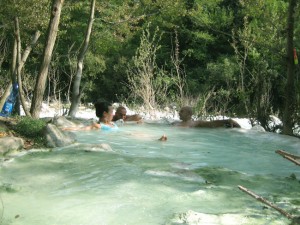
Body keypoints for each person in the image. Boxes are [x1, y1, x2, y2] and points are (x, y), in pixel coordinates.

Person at [174, 106, 241, 128]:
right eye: (179, 111)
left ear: (189, 113)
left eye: (182, 111)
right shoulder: (175, 123)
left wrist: (227, 121)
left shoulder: (196, 123)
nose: (179, 113)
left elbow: (211, 124)